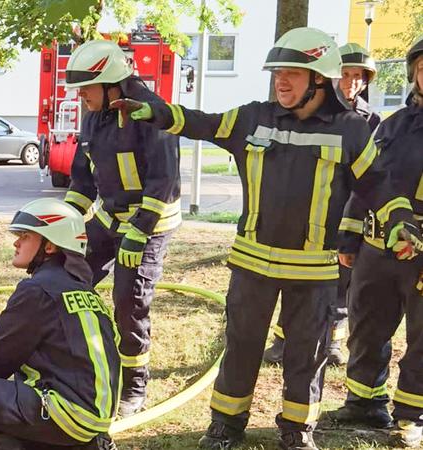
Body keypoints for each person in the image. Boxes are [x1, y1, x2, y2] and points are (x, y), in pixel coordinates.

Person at [110, 27, 421, 450]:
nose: (281, 81)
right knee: (241, 347)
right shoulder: (253, 117)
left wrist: (401, 221)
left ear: (319, 80)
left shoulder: (352, 130)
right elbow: (204, 123)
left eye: (293, 73)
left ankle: (296, 431)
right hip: (252, 266)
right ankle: (225, 426)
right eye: (278, 72)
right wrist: (159, 113)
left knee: (306, 358)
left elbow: (379, 187)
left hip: (313, 274)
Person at [0, 198, 120, 450]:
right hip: (94, 419)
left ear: (50, 245)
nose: (16, 242)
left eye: (25, 236)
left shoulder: (37, 290)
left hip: (66, 414)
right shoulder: (86, 292)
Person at [60, 39, 181, 417]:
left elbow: (164, 181)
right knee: (65, 276)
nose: (81, 97)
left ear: (112, 84)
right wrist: (62, 227)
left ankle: (134, 385)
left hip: (150, 223)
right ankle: (67, 358)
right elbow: (83, 179)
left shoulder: (151, 113)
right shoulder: (95, 114)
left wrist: (141, 229)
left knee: (129, 302)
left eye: (86, 89)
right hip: (110, 217)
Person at [326, 35, 423, 448]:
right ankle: (364, 402)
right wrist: (348, 237)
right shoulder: (393, 125)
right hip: (374, 249)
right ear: (414, 73)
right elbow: (364, 184)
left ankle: (412, 417)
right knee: (366, 326)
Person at [263, 42, 383, 366]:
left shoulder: (372, 121)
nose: (352, 82)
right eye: (346, 74)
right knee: (296, 278)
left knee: (341, 280)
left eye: (359, 77)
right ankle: (281, 341)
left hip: (348, 214)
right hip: (310, 209)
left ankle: (332, 342)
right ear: (331, 77)